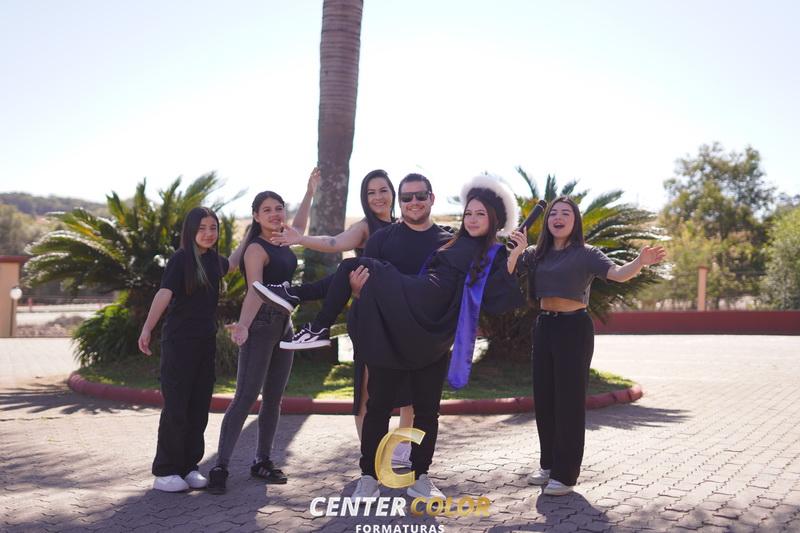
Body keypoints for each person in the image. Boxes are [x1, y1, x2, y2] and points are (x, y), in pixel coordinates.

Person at [257, 175, 527, 502]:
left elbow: (496, 299)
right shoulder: (448, 239)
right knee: (378, 406)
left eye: (480, 214)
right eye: (468, 213)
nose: (471, 219)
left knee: (427, 411)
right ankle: (369, 477)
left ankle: (420, 477)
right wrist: (358, 290)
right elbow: (339, 248)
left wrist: (514, 255)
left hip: (431, 325)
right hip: (396, 322)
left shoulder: (491, 252)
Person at [264, 173, 450, 464]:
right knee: (368, 392)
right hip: (371, 313)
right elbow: (333, 241)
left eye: (383, 190)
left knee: (412, 394)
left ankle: (404, 449)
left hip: (406, 316)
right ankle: (373, 455)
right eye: (371, 192)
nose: (378, 197)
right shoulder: (369, 229)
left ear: (394, 194)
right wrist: (301, 239)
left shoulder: (410, 227)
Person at [521, 196, 666, 496]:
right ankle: (548, 464)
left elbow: (618, 274)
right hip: (544, 326)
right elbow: (508, 271)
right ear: (547, 221)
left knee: (569, 402)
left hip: (573, 328)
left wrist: (640, 262)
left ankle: (565, 475)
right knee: (545, 399)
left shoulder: (586, 254)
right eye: (553, 213)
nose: (558, 218)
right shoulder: (536, 253)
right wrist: (515, 249)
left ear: (575, 221)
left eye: (566, 213)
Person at [205, 168, 318, 495]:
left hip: (285, 324)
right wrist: (243, 325)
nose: (274, 214)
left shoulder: (284, 239)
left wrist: (309, 192)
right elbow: (255, 290)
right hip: (261, 324)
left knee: (273, 399)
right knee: (245, 396)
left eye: (278, 208)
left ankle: (262, 461)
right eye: (267, 210)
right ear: (256, 216)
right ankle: (220, 466)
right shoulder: (256, 248)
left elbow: (300, 227)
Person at [138, 206, 235, 493]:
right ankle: (165, 471)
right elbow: (164, 293)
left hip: (205, 343)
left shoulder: (215, 261)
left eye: (213, 228)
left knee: (199, 407)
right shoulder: (180, 260)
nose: (208, 233)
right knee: (177, 407)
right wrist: (147, 328)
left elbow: (236, 261)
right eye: (202, 228)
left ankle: (189, 467)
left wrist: (256, 232)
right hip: (179, 343)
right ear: (191, 231)